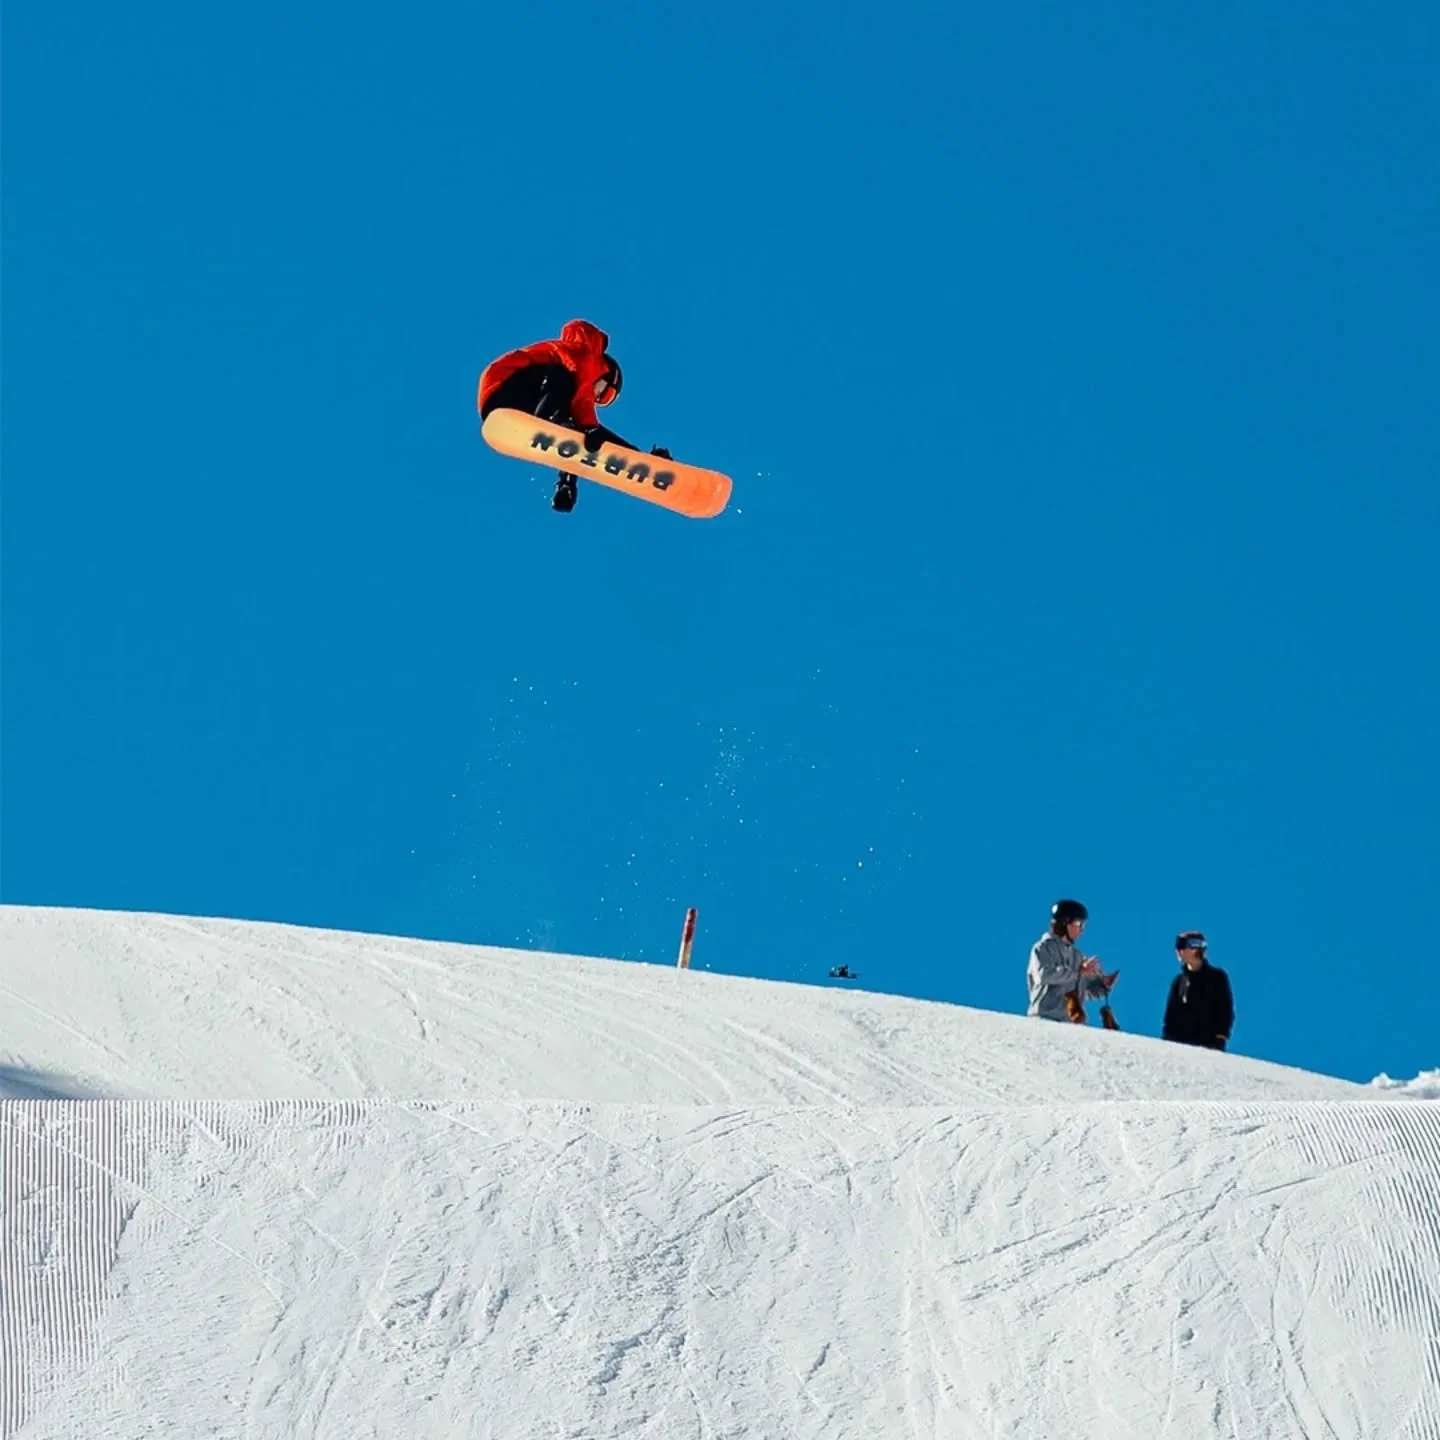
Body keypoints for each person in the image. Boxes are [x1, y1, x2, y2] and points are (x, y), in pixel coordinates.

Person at [477, 319, 667, 513]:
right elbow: (583, 403)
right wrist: (590, 429)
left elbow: (576, 440)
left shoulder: (577, 367)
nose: (598, 398)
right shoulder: (587, 356)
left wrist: (568, 484)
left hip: (498, 402)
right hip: (507, 385)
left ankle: (564, 480)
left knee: (578, 429)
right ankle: (548, 420)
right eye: (605, 394)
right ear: (607, 375)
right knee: (575, 406)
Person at [1026, 899, 1118, 1023]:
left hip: (1070, 1026)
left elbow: (1087, 989)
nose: (1082, 929)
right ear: (1065, 923)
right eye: (1079, 924)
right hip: (1044, 1021)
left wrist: (1103, 986)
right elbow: (1043, 975)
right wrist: (1078, 972)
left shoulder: (1077, 956)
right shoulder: (1043, 948)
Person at [1162, 931, 1234, 1050]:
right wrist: (1167, 1042)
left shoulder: (1217, 977)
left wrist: (1221, 1038)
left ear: (1194, 948)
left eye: (1182, 946)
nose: (1178, 951)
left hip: (1208, 1046)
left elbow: (1225, 1010)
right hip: (1179, 1047)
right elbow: (1170, 1017)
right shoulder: (1178, 982)